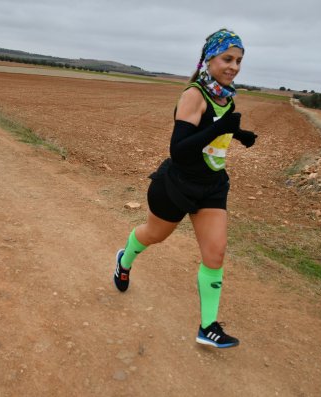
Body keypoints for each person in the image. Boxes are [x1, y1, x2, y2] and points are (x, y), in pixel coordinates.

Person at [112, 29, 257, 349]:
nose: (234, 66)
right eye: (227, 59)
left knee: (215, 252)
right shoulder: (194, 94)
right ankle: (124, 260)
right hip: (177, 185)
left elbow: (212, 133)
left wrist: (239, 135)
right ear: (209, 59)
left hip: (212, 187)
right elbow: (179, 149)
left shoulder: (224, 95)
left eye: (239, 61)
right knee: (154, 235)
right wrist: (224, 127)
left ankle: (208, 326)